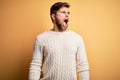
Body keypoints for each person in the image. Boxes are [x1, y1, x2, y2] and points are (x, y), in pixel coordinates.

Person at [29, 2, 90, 80]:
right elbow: (35, 66)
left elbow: (83, 66)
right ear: (53, 16)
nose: (67, 15)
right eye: (63, 12)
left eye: (68, 13)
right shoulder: (41, 39)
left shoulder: (77, 38)